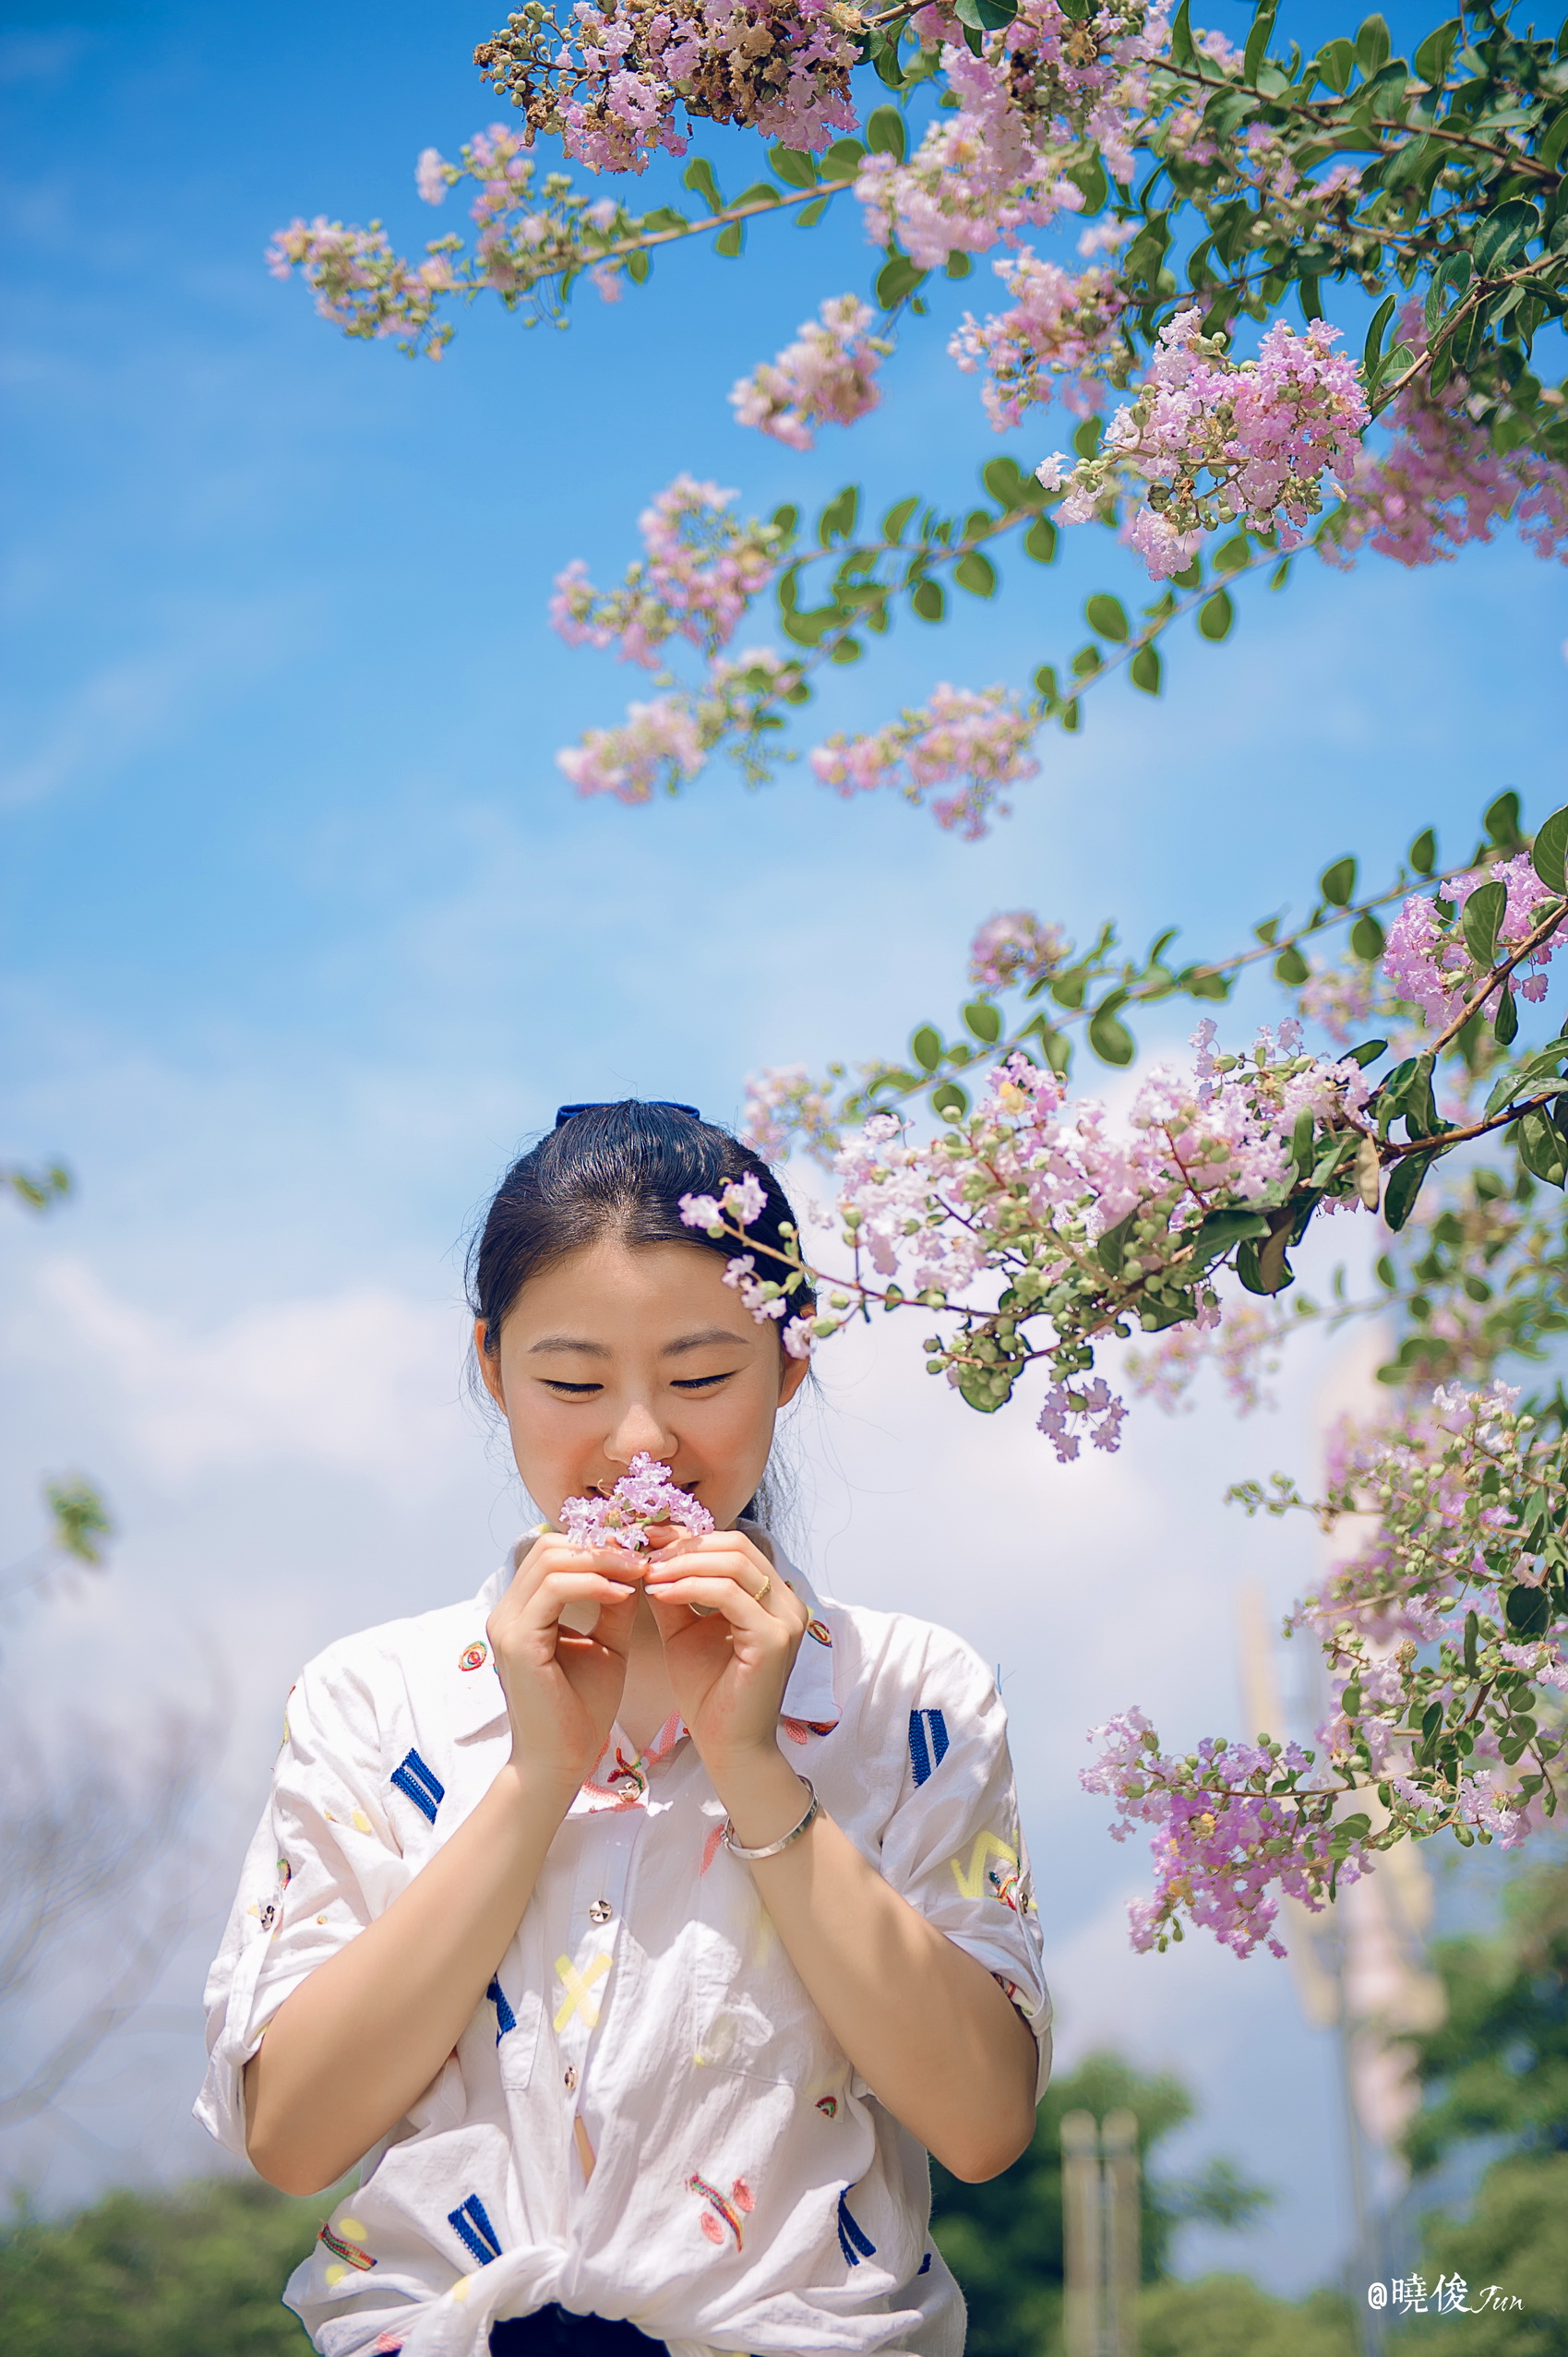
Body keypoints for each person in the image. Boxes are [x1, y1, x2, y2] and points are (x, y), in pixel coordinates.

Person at [197, 1100, 1050, 2357]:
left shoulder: (913, 1695)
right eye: (574, 1381)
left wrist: (757, 1769)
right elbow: (294, 2133)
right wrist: (538, 1777)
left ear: (791, 1360)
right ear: (491, 1365)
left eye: (702, 1376)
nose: (641, 1440)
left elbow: (983, 2120)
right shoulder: (373, 1699)